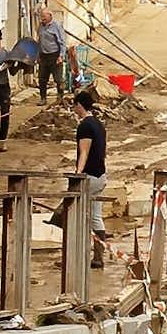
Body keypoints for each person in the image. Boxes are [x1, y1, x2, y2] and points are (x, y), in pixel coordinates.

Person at [69, 84, 109, 268]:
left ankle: (74, 255)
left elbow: (83, 152)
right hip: (101, 175)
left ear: (80, 105)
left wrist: (78, 174)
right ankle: (98, 257)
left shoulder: (85, 125)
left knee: (75, 215)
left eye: (74, 106)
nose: (73, 109)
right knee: (95, 216)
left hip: (89, 177)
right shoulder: (99, 124)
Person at [33, 7, 68, 103]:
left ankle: (60, 97)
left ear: (50, 16)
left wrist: (61, 56)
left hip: (54, 55)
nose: (42, 18)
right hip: (44, 55)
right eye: (41, 16)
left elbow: (62, 42)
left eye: (44, 16)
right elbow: (39, 40)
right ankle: (43, 98)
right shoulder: (41, 26)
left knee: (58, 79)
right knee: (42, 79)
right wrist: (38, 55)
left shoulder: (56, 26)